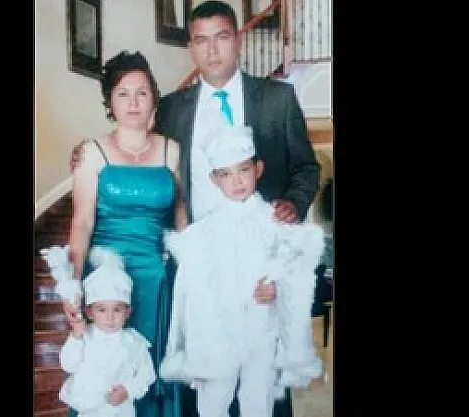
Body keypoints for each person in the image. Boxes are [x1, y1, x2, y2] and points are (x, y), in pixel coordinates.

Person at [71, 2, 320, 415]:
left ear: (237, 40)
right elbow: (138, 152)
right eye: (201, 41)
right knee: (205, 384)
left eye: (221, 37)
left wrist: (293, 204)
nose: (212, 50)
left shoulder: (278, 99)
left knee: (261, 380)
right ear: (191, 47)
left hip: (257, 267)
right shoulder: (171, 108)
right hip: (199, 266)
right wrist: (86, 156)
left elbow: (306, 167)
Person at [158, 126, 324, 417]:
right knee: (213, 401)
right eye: (225, 174)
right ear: (214, 179)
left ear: (258, 169)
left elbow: (296, 272)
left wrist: (278, 288)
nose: (236, 181)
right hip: (217, 333)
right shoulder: (204, 232)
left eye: (243, 170)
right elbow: (189, 291)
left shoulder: (275, 222)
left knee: (258, 399)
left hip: (261, 330)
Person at [62, 50, 186, 417]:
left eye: (142, 92)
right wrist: (73, 283)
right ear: (110, 103)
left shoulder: (171, 151)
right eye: (123, 93)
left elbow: (181, 220)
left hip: (156, 280)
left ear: (154, 100)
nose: (133, 102)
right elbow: (81, 223)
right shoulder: (91, 153)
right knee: (104, 373)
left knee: (147, 368)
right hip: (104, 279)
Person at [58, 247, 156, 417]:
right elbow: (68, 364)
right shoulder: (83, 336)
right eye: (102, 310)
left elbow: (147, 374)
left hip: (122, 410)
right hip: (90, 410)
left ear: (128, 312)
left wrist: (128, 390)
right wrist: (76, 337)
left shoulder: (135, 342)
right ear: (90, 312)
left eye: (117, 309)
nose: (110, 317)